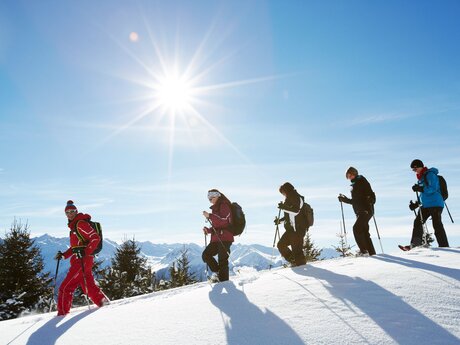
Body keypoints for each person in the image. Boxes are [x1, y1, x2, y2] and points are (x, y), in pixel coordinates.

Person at [55, 200, 109, 316]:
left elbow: (95, 238)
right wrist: (64, 255)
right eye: (67, 212)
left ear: (76, 211)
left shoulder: (80, 224)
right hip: (80, 260)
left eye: (72, 211)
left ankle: (61, 314)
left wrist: (85, 252)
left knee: (65, 287)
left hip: (82, 261)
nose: (70, 214)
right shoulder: (74, 227)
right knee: (88, 285)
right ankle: (104, 304)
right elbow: (75, 247)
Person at [407, 159, 449, 248]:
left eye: (415, 168)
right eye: (413, 170)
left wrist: (420, 189)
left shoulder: (430, 174)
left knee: (437, 224)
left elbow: (433, 188)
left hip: (436, 203)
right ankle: (415, 244)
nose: (414, 171)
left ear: (420, 166)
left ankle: (444, 245)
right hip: (426, 204)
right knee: (417, 222)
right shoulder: (421, 178)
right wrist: (416, 204)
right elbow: (423, 195)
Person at [338, 167, 376, 256]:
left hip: (365, 210)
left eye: (350, 175)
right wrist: (345, 199)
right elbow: (356, 201)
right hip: (361, 211)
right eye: (348, 176)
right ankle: (371, 253)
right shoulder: (356, 184)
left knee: (357, 229)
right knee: (364, 232)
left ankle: (364, 251)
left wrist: (371, 200)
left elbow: (370, 195)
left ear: (354, 173)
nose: (349, 177)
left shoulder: (361, 182)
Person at [202, 189, 234, 282]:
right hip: (217, 238)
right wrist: (208, 230)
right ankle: (217, 273)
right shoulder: (216, 208)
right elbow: (218, 226)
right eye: (209, 197)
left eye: (212, 196)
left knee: (222, 260)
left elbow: (224, 220)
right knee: (206, 255)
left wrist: (210, 216)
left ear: (218, 195)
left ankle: (224, 282)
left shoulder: (224, 205)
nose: (210, 199)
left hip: (225, 238)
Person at [275, 182, 308, 266]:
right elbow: (289, 216)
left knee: (297, 251)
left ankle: (301, 267)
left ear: (286, 190)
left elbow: (296, 211)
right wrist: (280, 221)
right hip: (291, 229)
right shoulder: (289, 198)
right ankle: (294, 261)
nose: (283, 194)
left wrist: (283, 207)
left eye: (282, 192)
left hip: (298, 229)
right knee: (281, 245)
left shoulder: (296, 197)